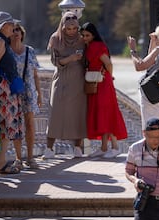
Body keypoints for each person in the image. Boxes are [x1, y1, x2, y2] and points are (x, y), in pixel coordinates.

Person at [80, 22, 127, 158]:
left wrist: (109, 76)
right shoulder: (91, 46)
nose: (85, 38)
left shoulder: (97, 46)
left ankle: (115, 146)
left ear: (94, 35)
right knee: (101, 113)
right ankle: (104, 147)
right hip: (98, 82)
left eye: (87, 35)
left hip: (102, 83)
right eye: (83, 35)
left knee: (106, 113)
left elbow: (108, 63)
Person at [43, 12, 87, 159]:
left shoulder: (82, 39)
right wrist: (70, 58)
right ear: (62, 27)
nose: (72, 31)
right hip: (61, 79)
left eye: (74, 28)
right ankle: (49, 148)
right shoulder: (55, 39)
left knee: (77, 113)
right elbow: (55, 61)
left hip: (78, 81)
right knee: (56, 113)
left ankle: (77, 148)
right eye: (68, 28)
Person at [0, 11, 23, 174]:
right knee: (5, 127)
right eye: (11, 25)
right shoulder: (0, 42)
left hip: (4, 88)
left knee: (4, 127)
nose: (13, 28)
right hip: (2, 89)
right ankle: (0, 165)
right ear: (4, 26)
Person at [127, 23, 159, 128]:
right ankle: (157, 141)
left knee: (147, 124)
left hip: (149, 90)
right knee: (156, 121)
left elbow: (140, 66)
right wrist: (153, 41)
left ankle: (149, 142)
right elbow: (151, 62)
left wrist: (133, 50)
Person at [10, 23, 43, 169]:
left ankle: (30, 158)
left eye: (18, 30)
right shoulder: (6, 51)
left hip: (29, 91)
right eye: (13, 30)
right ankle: (18, 158)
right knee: (15, 125)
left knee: (29, 123)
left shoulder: (30, 51)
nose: (16, 32)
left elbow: (35, 75)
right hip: (13, 91)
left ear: (22, 33)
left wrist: (39, 94)